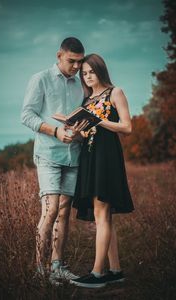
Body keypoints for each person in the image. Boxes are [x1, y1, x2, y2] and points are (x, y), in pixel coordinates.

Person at [21, 37, 87, 284]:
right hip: (48, 154)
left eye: (80, 62)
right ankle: (40, 270)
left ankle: (57, 267)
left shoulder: (81, 83)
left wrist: (79, 131)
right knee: (50, 210)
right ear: (59, 55)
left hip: (74, 156)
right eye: (72, 61)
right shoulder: (40, 79)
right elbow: (26, 115)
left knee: (64, 210)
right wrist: (56, 131)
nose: (77, 67)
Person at [70, 54, 134, 288]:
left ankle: (98, 274)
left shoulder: (115, 93)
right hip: (90, 159)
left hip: (107, 159)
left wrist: (99, 120)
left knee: (101, 215)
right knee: (104, 216)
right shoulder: (86, 101)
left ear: (101, 71)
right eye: (83, 74)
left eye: (91, 72)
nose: (87, 77)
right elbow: (88, 132)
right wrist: (75, 132)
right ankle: (115, 271)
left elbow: (127, 127)